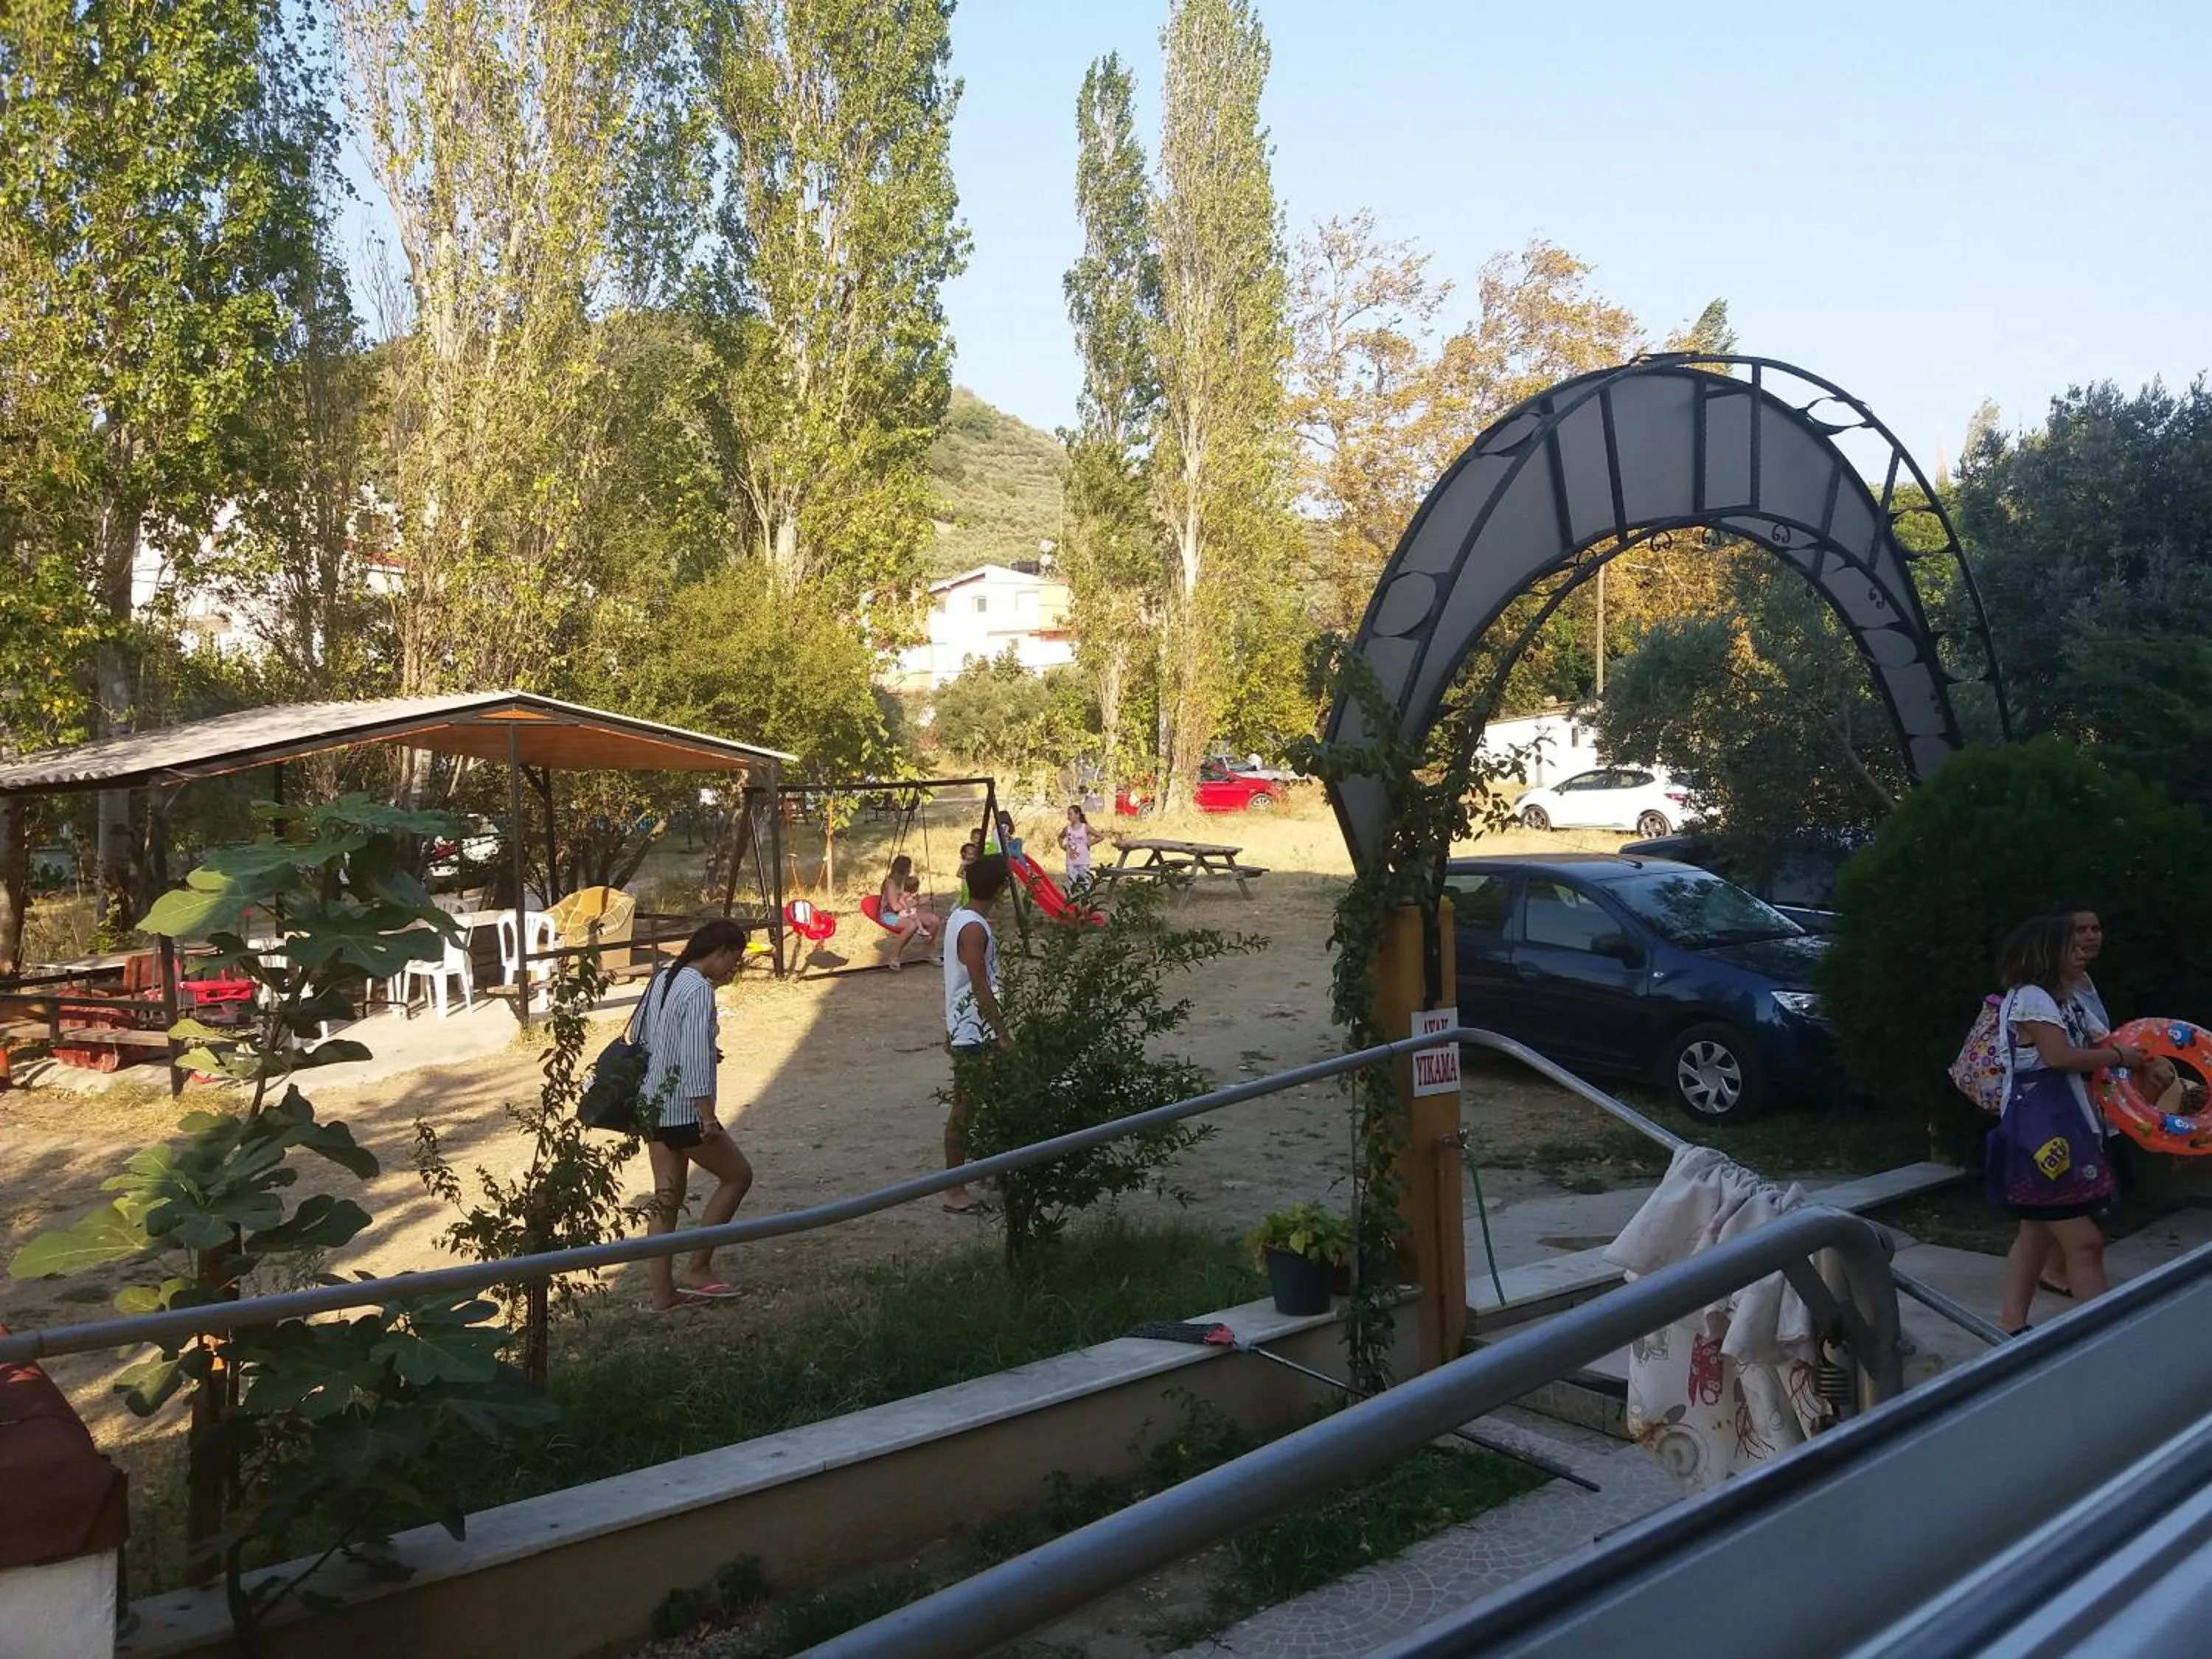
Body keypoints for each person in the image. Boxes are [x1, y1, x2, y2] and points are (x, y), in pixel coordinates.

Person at [1992, 914, 2146, 1334]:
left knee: (2036, 1232)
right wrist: (2120, 1060)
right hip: (2046, 1138)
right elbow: (2060, 1057)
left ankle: (2010, 1326)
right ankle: (2101, 1338)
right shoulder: (2033, 998)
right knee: (2085, 1242)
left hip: (2062, 1131)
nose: (2082, 950)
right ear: (2047, 953)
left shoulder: (2068, 998)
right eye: (2071, 945)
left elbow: (2109, 1040)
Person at [639, 919, 756, 1310]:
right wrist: (707, 1116)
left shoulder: (662, 978)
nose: (730, 971)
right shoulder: (699, 989)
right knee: (737, 1176)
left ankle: (662, 1294)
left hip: (651, 1102)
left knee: (665, 1200)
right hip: (684, 1110)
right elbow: (692, 1058)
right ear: (721, 951)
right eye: (733, 961)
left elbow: (643, 1037)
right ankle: (698, 1267)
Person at [940, 852, 1012, 1215]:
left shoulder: (962, 918)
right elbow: (979, 985)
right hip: (976, 1030)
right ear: (1000, 889)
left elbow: (954, 981)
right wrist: (1001, 1032)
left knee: (990, 1103)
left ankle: (990, 1174)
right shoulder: (972, 929)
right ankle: (954, 1190)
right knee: (965, 1109)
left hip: (966, 1025)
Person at [877, 853, 939, 972]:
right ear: (904, 869)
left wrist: (917, 900)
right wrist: (916, 902)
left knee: (934, 920)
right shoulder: (890, 883)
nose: (910, 871)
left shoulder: (904, 881)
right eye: (909, 868)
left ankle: (929, 951)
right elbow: (895, 907)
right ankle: (894, 956)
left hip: (905, 912)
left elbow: (907, 900)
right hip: (888, 916)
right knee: (912, 925)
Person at [1057, 803, 1093, 889]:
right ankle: (1072, 898)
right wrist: (1062, 846)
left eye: (1070, 814)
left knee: (1085, 881)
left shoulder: (1085, 827)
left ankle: (1086, 898)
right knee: (1071, 881)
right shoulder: (1067, 829)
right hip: (1071, 861)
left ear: (1077, 815)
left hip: (1083, 860)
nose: (1068, 816)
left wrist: (1090, 842)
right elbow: (1060, 838)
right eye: (1068, 814)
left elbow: (1100, 836)